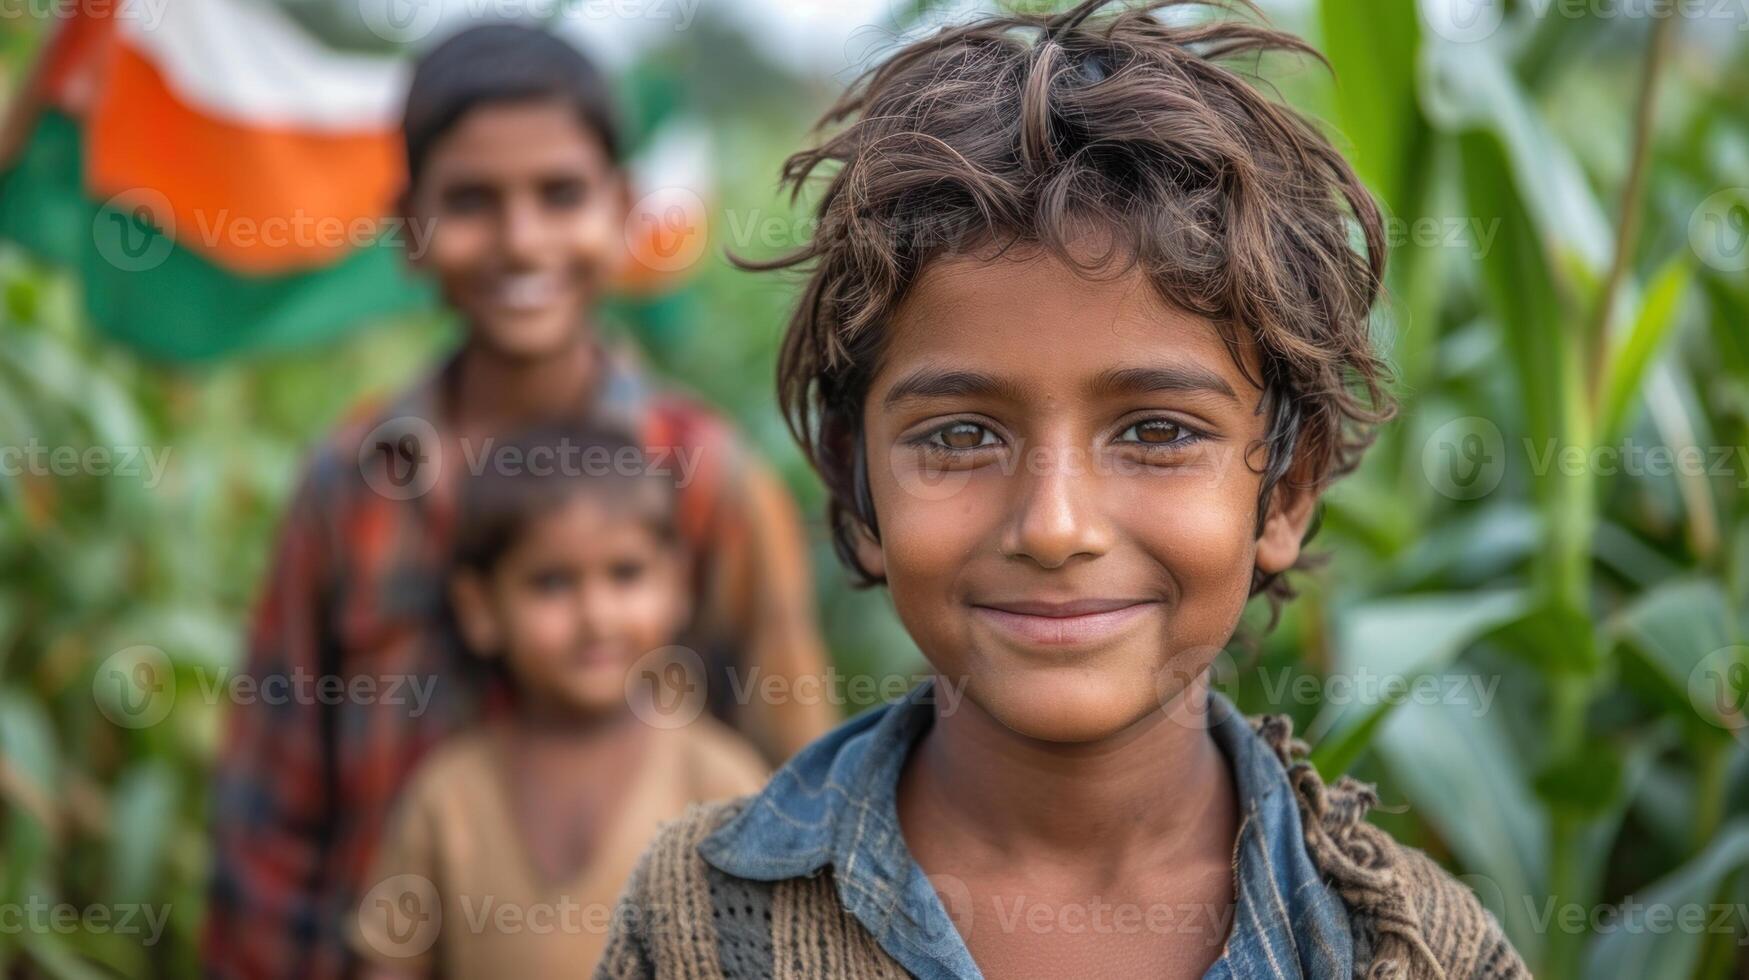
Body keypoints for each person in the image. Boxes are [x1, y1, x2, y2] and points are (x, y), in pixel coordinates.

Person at [597, 2, 1529, 978]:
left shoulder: (1413, 947)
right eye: (960, 435)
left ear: (1285, 493)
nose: (1054, 526)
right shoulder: (705, 921)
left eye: (1157, 432)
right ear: (855, 477)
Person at [203, 24, 834, 979]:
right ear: (409, 228)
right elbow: (273, 809)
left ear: (622, 212)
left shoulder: (705, 480)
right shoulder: (352, 485)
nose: (521, 239)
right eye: (471, 202)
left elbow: (800, 785)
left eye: (561, 194)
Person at [350, 426, 769, 978]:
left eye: (625, 574)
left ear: (677, 586)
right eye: (551, 583)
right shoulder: (447, 800)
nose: (596, 616)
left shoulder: (722, 787)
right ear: (479, 608)